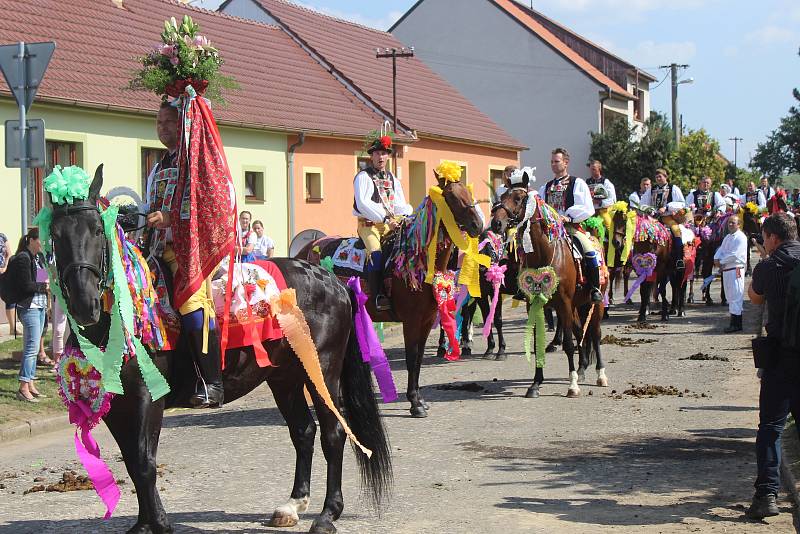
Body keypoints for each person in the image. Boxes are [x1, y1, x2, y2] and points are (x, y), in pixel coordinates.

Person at [145, 101, 228, 408]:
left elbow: (206, 202)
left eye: (169, 122)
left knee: (193, 304)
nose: (163, 128)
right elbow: (149, 205)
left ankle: (213, 383)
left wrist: (169, 218)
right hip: (157, 247)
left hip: (191, 250)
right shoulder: (157, 166)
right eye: (158, 123)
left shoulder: (196, 163)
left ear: (184, 125)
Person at [746, 212, 800, 519]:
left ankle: (767, 496)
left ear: (773, 238)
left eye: (764, 238)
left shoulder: (769, 265)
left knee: (771, 427)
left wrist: (763, 261)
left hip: (780, 358)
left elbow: (754, 298)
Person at [353, 133, 413, 311]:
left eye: (384, 153)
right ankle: (378, 295)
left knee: (403, 249)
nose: (381, 157)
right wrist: (386, 217)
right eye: (377, 153)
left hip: (390, 224)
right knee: (376, 253)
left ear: (388, 156)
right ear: (371, 156)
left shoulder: (392, 178)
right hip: (368, 225)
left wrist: (409, 214)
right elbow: (363, 203)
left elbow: (399, 203)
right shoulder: (363, 176)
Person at [539, 148, 602, 302]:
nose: (553, 164)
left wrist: (568, 217)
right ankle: (529, 286)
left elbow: (587, 207)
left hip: (570, 228)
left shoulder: (577, 183)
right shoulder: (545, 187)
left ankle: (594, 288)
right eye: (551, 162)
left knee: (588, 248)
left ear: (565, 163)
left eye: (556, 161)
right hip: (549, 230)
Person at [6, 229, 49, 402]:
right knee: (31, 349)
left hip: (39, 306)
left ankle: (30, 383)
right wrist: (43, 287)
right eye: (40, 240)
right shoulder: (23, 258)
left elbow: (43, 281)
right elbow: (26, 286)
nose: (43, 243)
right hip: (29, 306)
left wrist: (47, 298)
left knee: (32, 347)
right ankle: (23, 387)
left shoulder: (38, 258)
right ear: (31, 240)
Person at [640, 168, 686, 268]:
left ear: (666, 177)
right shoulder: (651, 189)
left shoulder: (673, 188)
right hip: (653, 219)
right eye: (656, 177)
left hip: (667, 217)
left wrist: (666, 207)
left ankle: (679, 259)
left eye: (660, 176)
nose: (658, 179)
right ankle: (640, 258)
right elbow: (642, 204)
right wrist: (649, 209)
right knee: (641, 231)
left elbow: (682, 203)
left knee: (676, 230)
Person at [714, 215, 747, 332]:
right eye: (729, 223)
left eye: (733, 223)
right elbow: (721, 250)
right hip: (726, 269)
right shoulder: (728, 237)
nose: (731, 225)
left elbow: (735, 255)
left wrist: (721, 261)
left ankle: (737, 323)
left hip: (735, 268)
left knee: (736, 295)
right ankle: (733, 322)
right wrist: (716, 259)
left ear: (739, 224)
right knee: (729, 296)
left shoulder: (741, 237)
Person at [585, 160, 617, 231]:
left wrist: (599, 202)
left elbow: (613, 200)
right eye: (591, 169)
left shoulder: (606, 182)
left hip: (603, 211)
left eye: (594, 169)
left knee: (609, 226)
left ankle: (612, 240)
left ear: (599, 169)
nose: (591, 171)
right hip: (590, 211)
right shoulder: (587, 182)